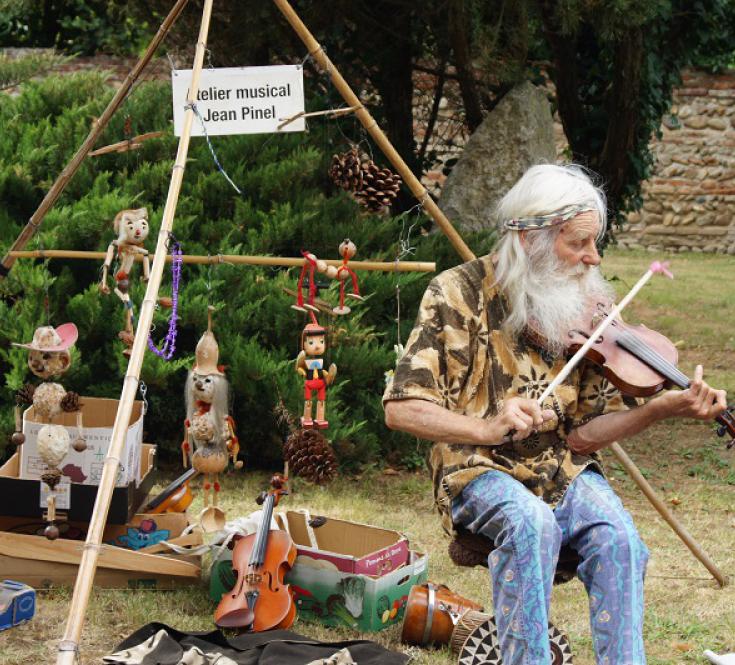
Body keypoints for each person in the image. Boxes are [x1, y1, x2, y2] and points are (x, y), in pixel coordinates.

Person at [383, 164, 728, 665]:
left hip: (559, 463)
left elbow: (585, 436)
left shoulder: (587, 305)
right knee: (531, 525)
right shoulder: (455, 293)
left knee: (621, 541)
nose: (594, 258)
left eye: (595, 242)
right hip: (475, 462)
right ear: (530, 238)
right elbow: (402, 408)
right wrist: (486, 426)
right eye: (579, 244)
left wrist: (660, 409)